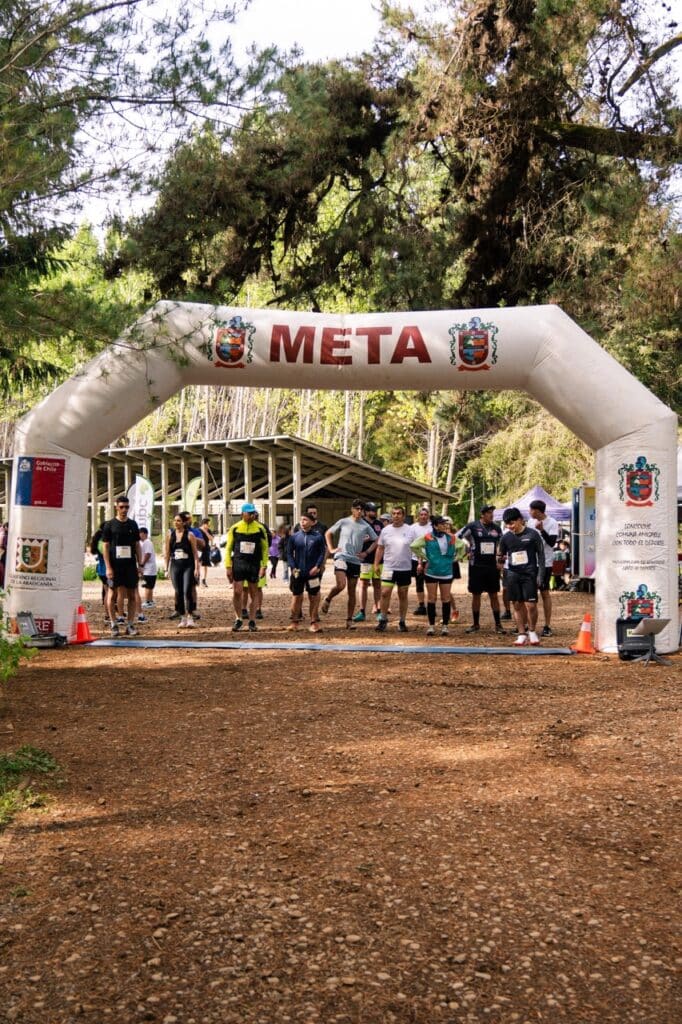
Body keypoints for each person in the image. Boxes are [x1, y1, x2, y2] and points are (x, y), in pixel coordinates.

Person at [322, 500, 377, 628]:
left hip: (355, 560)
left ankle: (349, 620)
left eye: (361, 509)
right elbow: (328, 533)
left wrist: (366, 552)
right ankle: (328, 598)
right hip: (341, 556)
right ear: (352, 509)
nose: (359, 511)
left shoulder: (365, 525)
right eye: (357, 508)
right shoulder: (344, 521)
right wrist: (331, 549)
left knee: (351, 591)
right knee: (341, 585)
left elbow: (376, 539)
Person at [497, 507, 545, 646]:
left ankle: (532, 631)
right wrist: (500, 565)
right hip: (512, 574)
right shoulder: (506, 537)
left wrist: (540, 575)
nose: (509, 527)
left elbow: (541, 556)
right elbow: (500, 555)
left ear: (520, 520)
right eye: (507, 524)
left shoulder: (533, 534)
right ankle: (521, 634)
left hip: (529, 573)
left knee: (531, 605)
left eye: (512, 523)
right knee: (517, 605)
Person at [457, 504, 506, 635]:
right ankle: (475, 624)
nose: (491, 515)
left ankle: (498, 624)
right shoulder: (472, 526)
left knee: (494, 595)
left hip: (491, 566)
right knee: (476, 595)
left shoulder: (496, 528)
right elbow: (457, 538)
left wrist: (501, 561)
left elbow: (502, 546)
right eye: (489, 513)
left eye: (492, 513)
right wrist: (466, 550)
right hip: (476, 566)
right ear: (482, 514)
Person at [101, 495, 142, 637]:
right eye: (121, 507)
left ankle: (130, 625)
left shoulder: (133, 525)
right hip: (115, 565)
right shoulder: (109, 525)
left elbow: (137, 545)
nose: (124, 510)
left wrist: (140, 564)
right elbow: (105, 547)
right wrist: (108, 567)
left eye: (127, 507)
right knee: (112, 594)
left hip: (130, 565)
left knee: (132, 595)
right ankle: (113, 624)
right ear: (116, 507)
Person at [411, 516, 458, 635]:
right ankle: (431, 626)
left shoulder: (451, 537)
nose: (444, 525)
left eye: (445, 524)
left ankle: (445, 626)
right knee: (431, 599)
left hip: (446, 572)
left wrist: (457, 558)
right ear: (436, 526)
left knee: (446, 599)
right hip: (431, 571)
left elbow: (463, 547)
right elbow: (413, 546)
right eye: (442, 524)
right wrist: (425, 558)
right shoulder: (427, 537)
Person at [225, 502, 268, 632]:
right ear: (242, 514)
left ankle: (252, 620)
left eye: (253, 513)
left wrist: (264, 566)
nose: (251, 515)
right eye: (249, 513)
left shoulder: (260, 528)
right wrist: (228, 566)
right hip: (238, 563)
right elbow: (228, 548)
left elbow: (265, 548)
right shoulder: (235, 528)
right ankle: (238, 618)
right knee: (237, 592)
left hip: (254, 564)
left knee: (253, 592)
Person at [373, 506, 414, 633]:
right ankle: (383, 620)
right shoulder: (385, 530)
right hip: (389, 567)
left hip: (405, 568)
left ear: (403, 515)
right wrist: (376, 564)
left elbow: (417, 547)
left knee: (403, 594)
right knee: (385, 593)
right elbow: (380, 548)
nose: (396, 516)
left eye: (399, 513)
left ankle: (402, 621)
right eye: (394, 513)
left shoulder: (410, 530)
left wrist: (420, 562)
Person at [286, 511, 327, 632]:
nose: (302, 522)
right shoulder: (294, 537)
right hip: (298, 572)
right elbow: (289, 553)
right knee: (296, 596)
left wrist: (317, 566)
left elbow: (322, 553)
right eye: (301, 520)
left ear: (312, 522)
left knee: (313, 596)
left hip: (312, 573)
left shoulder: (318, 537)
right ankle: (294, 622)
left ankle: (314, 622)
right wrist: (293, 567)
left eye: (305, 520)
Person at [529, 499, 560, 637]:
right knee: (528, 595)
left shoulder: (552, 523)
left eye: (531, 510)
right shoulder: (529, 522)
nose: (529, 512)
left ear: (537, 511)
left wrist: (541, 530)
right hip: (530, 563)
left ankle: (547, 625)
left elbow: (552, 543)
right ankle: (528, 626)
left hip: (545, 563)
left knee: (544, 593)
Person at [164, 513, 200, 628]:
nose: (176, 523)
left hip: (188, 565)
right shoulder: (170, 535)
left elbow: (195, 554)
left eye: (179, 521)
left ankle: (190, 616)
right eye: (175, 520)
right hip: (175, 565)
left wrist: (197, 568)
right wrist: (166, 568)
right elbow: (168, 553)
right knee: (178, 591)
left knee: (187, 590)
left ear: (184, 523)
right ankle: (182, 616)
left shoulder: (190, 535)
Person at [354, 501, 384, 622]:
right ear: (366, 512)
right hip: (364, 560)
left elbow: (380, 540)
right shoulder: (359, 523)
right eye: (372, 510)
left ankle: (378, 610)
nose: (375, 512)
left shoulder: (379, 524)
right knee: (363, 584)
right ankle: (362, 611)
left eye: (376, 510)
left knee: (377, 584)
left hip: (378, 560)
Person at [409, 506, 432, 615]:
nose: (423, 517)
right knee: (419, 582)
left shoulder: (432, 527)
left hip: (430, 559)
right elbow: (412, 544)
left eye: (425, 514)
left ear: (428, 516)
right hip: (416, 558)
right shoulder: (413, 528)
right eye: (421, 515)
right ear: (418, 516)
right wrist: (419, 562)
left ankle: (431, 606)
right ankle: (421, 605)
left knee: (431, 583)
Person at [138, 527, 157, 610]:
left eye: (140, 533)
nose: (139, 535)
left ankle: (147, 601)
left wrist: (142, 564)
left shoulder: (147, 542)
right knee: (149, 585)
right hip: (149, 568)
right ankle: (150, 600)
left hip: (149, 568)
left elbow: (147, 554)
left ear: (144, 534)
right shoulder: (145, 543)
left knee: (148, 585)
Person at [198, 518, 214, 587]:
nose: (209, 525)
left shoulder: (208, 531)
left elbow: (211, 538)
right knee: (197, 564)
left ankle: (203, 580)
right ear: (204, 524)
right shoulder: (197, 530)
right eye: (208, 524)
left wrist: (206, 532)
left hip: (206, 549)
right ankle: (196, 578)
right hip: (198, 549)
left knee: (205, 565)